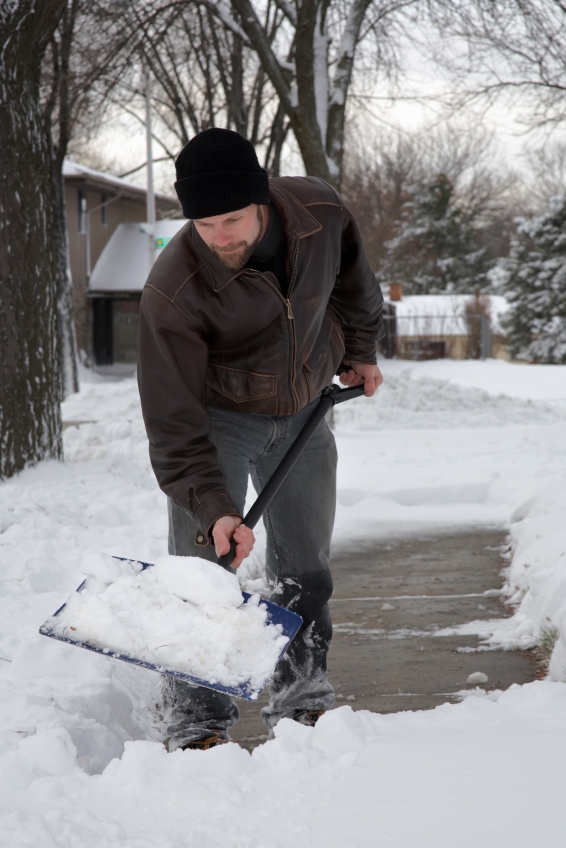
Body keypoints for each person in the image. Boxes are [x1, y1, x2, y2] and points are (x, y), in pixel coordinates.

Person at [137, 128, 384, 751]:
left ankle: (301, 701)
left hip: (305, 408)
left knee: (305, 566)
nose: (218, 237)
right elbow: (173, 418)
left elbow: (353, 281)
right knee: (204, 568)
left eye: (230, 219)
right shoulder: (174, 288)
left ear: (262, 200)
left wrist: (360, 351)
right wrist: (214, 506)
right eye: (202, 223)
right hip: (221, 417)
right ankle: (196, 718)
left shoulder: (319, 213)